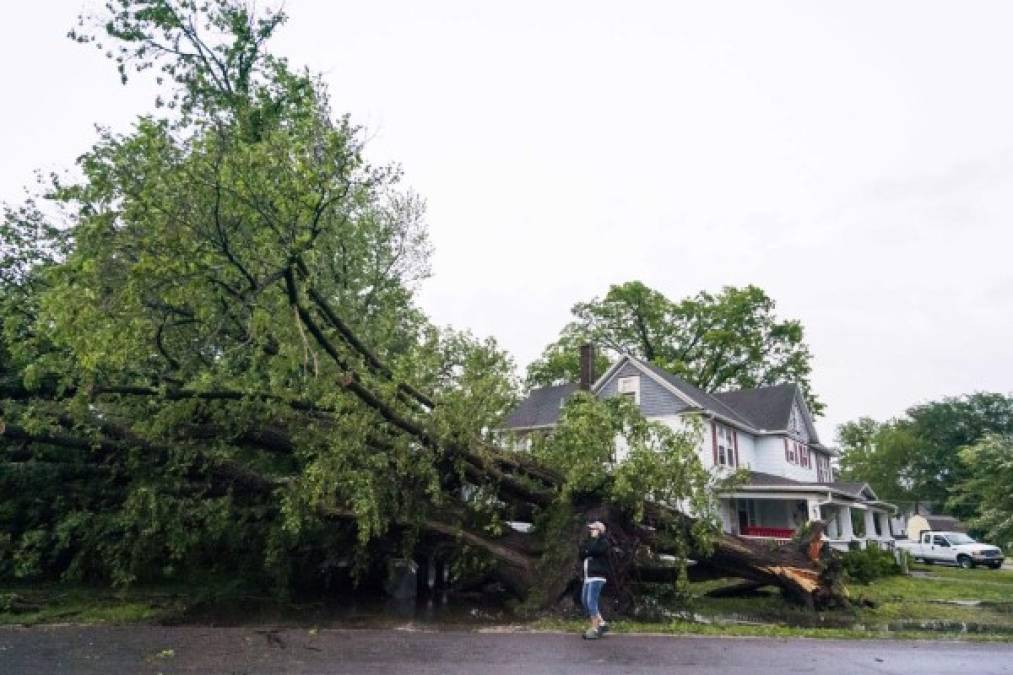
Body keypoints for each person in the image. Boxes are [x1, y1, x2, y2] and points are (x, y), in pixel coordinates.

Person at [580, 521, 610, 639]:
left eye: (593, 529)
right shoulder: (591, 542)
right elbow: (581, 554)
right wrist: (587, 550)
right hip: (588, 576)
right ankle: (602, 623)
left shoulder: (603, 542)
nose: (591, 531)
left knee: (591, 601)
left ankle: (594, 629)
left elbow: (594, 550)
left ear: (599, 531)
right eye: (591, 529)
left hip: (597, 577)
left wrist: (589, 549)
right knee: (584, 600)